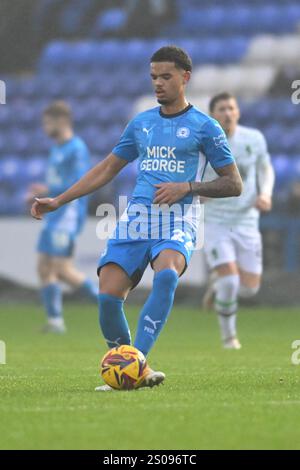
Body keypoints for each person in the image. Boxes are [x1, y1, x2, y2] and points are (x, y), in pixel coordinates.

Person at [31, 47, 242, 390]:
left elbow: (234, 183)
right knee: (108, 296)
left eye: (166, 76)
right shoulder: (141, 124)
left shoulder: (206, 127)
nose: (158, 83)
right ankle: (130, 368)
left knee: (167, 276)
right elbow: (107, 169)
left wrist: (188, 186)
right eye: (154, 77)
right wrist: (59, 199)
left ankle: (135, 367)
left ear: (185, 77)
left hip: (178, 220)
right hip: (136, 220)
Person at [202, 92, 275, 349]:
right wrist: (198, 194)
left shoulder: (253, 139)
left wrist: (265, 193)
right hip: (216, 221)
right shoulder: (204, 143)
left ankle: (217, 284)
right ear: (213, 115)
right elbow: (194, 175)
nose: (227, 113)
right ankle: (229, 337)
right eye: (221, 109)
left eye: (231, 108)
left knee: (249, 288)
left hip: (246, 220)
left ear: (238, 112)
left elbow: (265, 168)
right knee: (231, 281)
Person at [27, 101, 98, 334]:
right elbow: (58, 181)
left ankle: (106, 303)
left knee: (62, 268)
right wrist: (45, 190)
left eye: (48, 122)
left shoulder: (76, 148)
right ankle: (55, 321)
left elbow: (77, 183)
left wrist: (52, 194)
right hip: (53, 213)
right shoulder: (57, 148)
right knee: (44, 266)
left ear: (62, 121)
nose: (45, 127)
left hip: (67, 212)